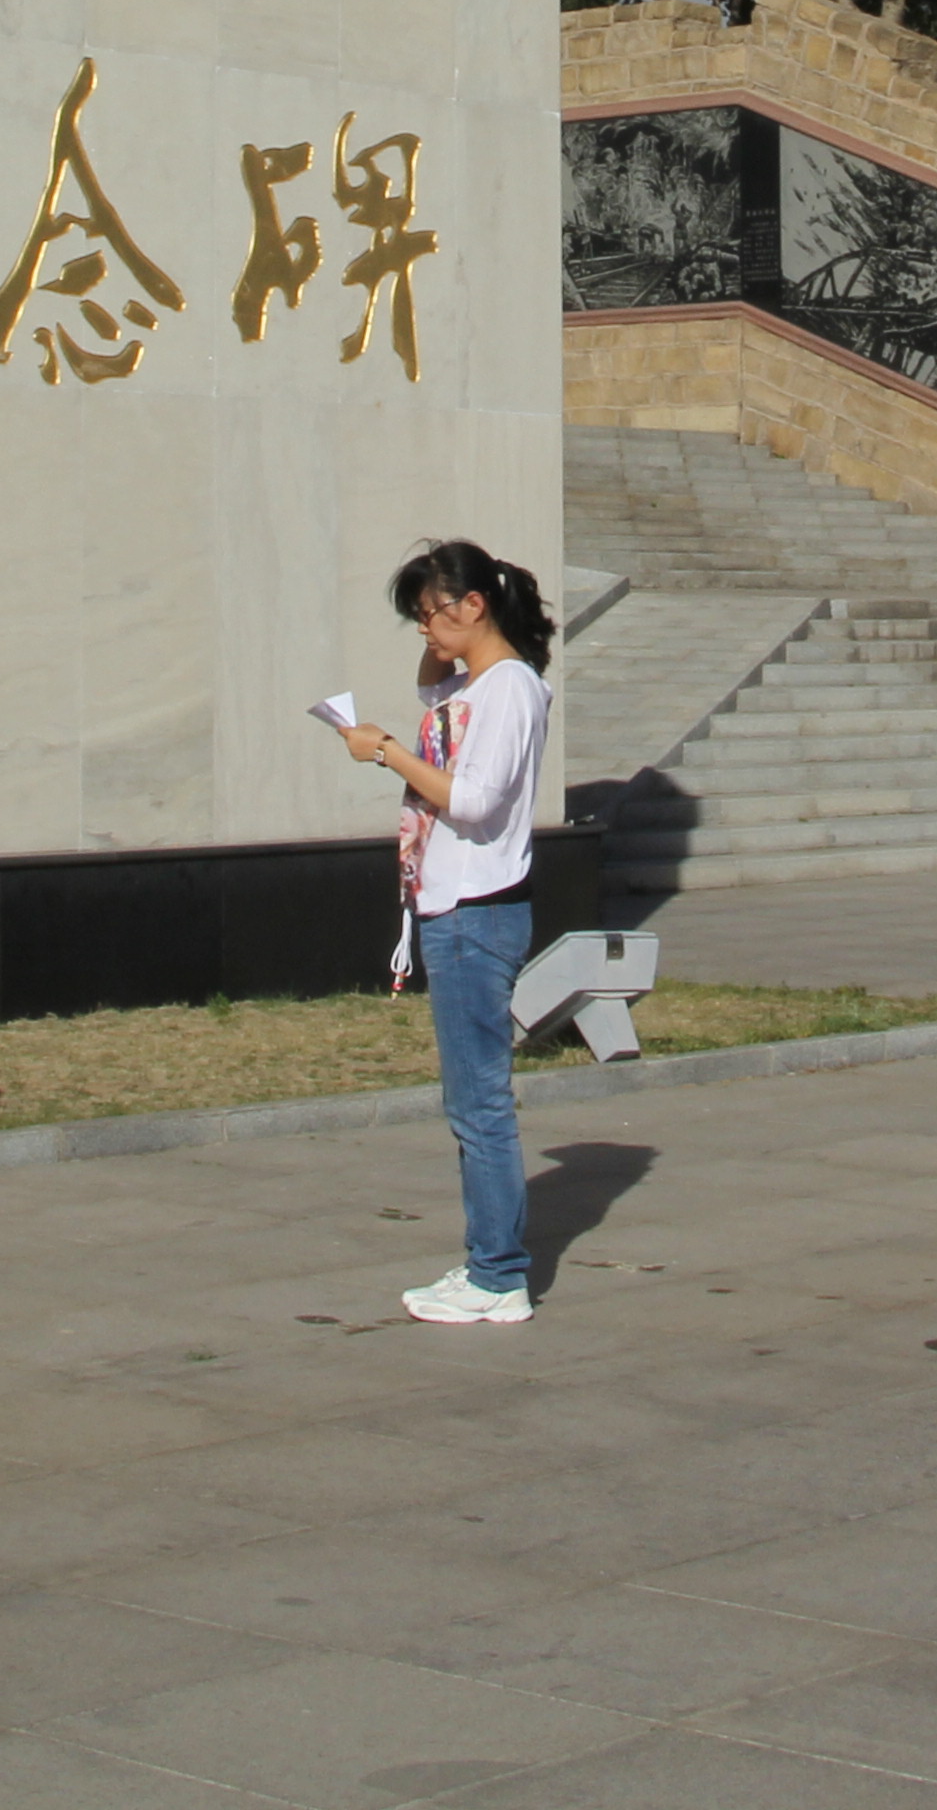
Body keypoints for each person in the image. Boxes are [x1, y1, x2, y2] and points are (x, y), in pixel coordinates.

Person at [341, 540, 556, 1327]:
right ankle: (493, 1269)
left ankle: (497, 1273)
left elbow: (472, 803)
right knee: (473, 1099)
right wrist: (439, 653)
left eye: (432, 613)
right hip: (455, 909)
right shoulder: (477, 684)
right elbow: (435, 683)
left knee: (479, 1104)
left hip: (476, 912)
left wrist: (388, 753)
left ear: (475, 606)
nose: (425, 632)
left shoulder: (509, 691)